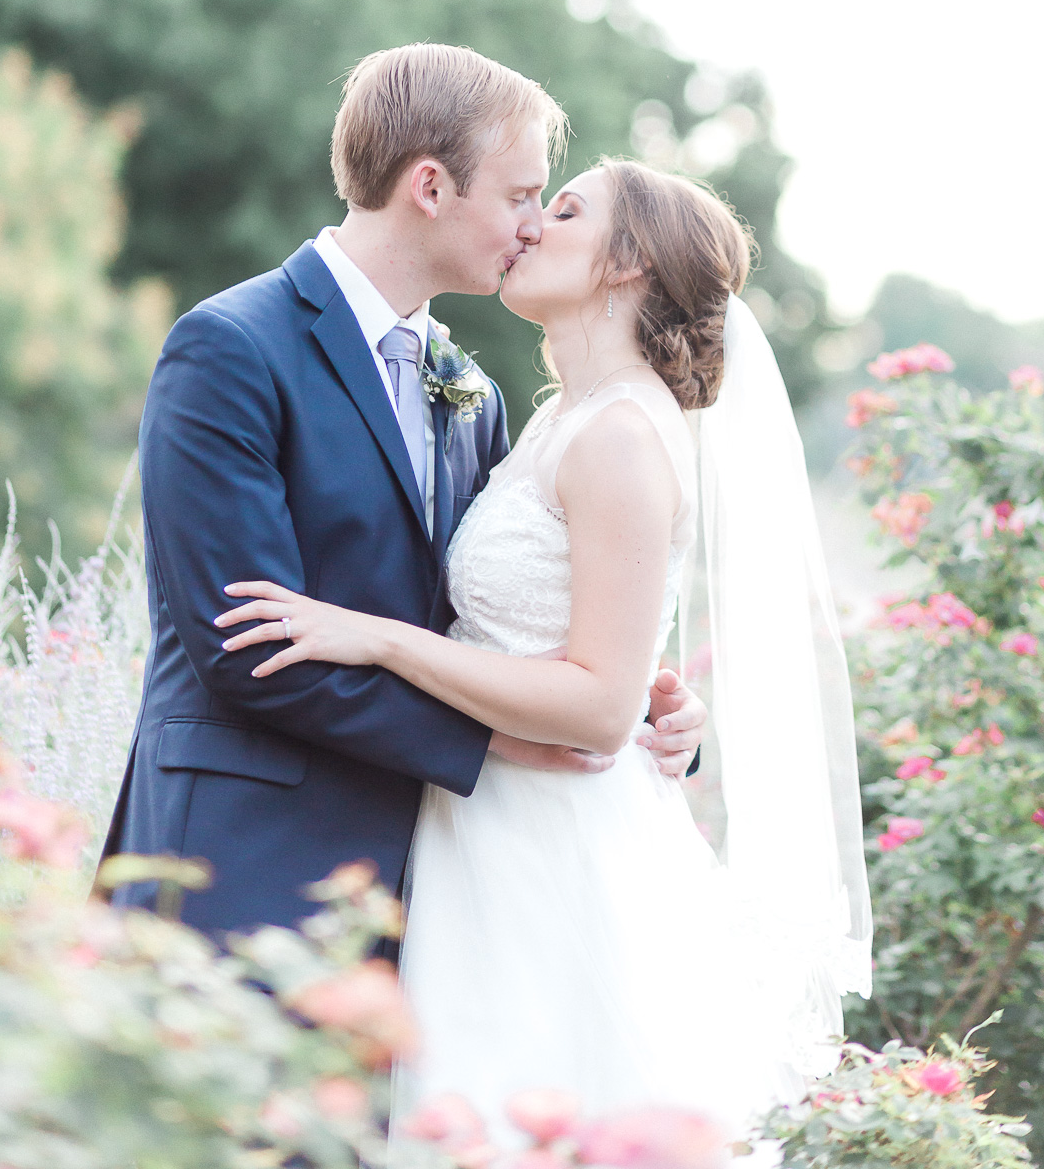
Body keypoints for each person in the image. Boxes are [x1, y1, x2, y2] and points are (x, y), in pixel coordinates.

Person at [217, 156, 872, 1140]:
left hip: (554, 844)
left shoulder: (616, 437)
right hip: (487, 825)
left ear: (627, 262)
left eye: (562, 210)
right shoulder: (557, 419)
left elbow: (598, 706)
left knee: (529, 1114)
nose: (530, 226)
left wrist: (380, 642)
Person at [101, 46, 705, 938]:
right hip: (238, 862)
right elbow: (245, 646)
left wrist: (646, 711)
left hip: (432, 880)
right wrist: (496, 741)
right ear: (430, 186)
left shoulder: (473, 393)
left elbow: (491, 617)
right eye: (519, 195)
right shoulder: (231, 347)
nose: (533, 225)